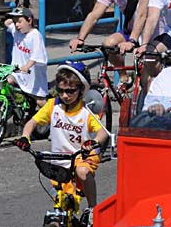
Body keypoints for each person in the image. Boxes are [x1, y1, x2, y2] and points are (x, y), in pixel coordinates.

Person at [17, 62, 109, 210]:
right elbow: (32, 123)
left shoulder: (86, 110)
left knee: (82, 172)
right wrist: (25, 137)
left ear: (81, 90)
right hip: (60, 158)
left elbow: (102, 131)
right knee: (62, 203)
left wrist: (94, 141)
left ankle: (93, 208)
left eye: (70, 91)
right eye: (61, 90)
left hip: (82, 155)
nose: (65, 95)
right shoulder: (53, 105)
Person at [69, 0, 154, 87]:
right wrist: (80, 39)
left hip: (150, 33)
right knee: (108, 45)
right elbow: (94, 15)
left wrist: (132, 41)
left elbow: (142, 14)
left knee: (146, 81)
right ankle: (125, 78)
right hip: (131, 31)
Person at [4, 6, 49, 108]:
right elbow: (6, 23)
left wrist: (27, 66)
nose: (17, 25)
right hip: (18, 72)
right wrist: (15, 16)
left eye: (20, 22)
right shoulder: (16, 31)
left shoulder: (35, 35)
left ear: (29, 21)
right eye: (15, 22)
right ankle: (13, 108)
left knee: (40, 102)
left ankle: (53, 119)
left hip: (33, 76)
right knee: (8, 81)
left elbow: (36, 55)